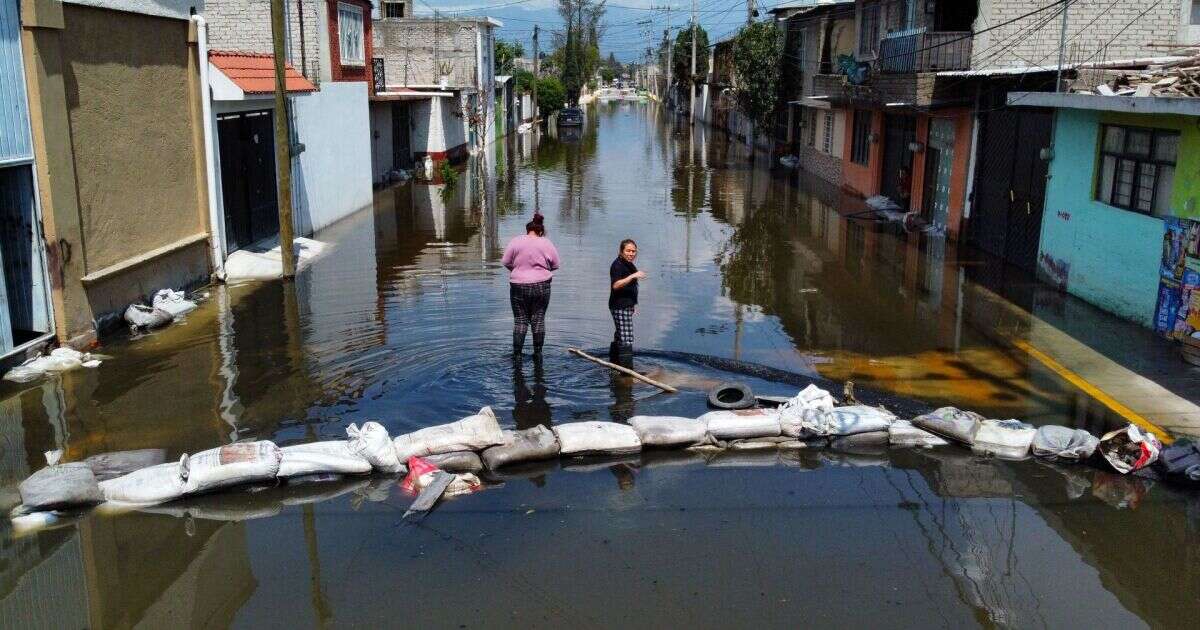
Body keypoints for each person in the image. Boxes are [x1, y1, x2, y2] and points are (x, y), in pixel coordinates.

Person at [501, 213, 560, 357]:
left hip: (518, 286)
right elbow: (556, 264)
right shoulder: (546, 242)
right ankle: (538, 354)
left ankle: (517, 355)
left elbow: (506, 261)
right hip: (541, 285)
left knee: (520, 321)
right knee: (538, 319)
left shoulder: (516, 241)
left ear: (527, 230)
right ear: (541, 231)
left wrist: (517, 270)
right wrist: (541, 270)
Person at [609, 239, 645, 363]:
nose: (631, 253)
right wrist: (633, 276)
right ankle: (626, 373)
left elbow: (631, 287)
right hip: (619, 306)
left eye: (633, 251)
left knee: (620, 335)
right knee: (627, 338)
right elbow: (616, 285)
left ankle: (614, 363)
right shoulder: (617, 265)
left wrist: (633, 304)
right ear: (621, 251)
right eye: (628, 251)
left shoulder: (628, 264)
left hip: (626, 306)